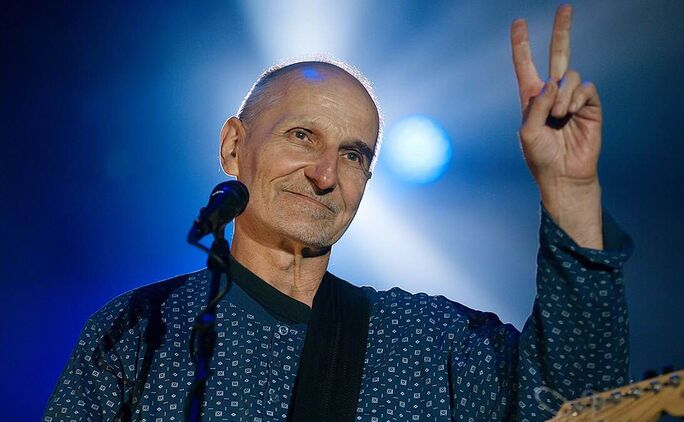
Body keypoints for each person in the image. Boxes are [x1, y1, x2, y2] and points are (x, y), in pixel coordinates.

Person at [44, 5, 634, 421]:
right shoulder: (139, 329)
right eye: (302, 136)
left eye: (353, 155)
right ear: (233, 146)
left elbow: (580, 403)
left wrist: (570, 190)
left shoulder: (429, 342)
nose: (325, 174)